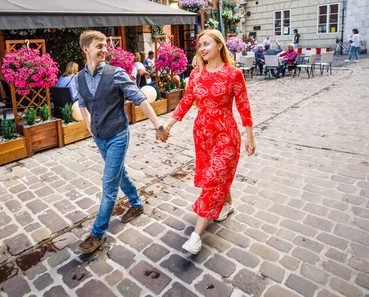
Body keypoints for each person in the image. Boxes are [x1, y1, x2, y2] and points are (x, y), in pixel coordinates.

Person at [74, 30, 169, 254]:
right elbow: (81, 103)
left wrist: (159, 126)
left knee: (109, 185)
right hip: (100, 137)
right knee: (119, 174)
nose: (105, 50)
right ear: (86, 49)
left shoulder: (116, 73)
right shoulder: (79, 78)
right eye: (99, 46)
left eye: (106, 46)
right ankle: (136, 204)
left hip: (118, 134)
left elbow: (140, 99)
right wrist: (89, 127)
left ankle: (97, 234)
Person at [164, 29, 255, 255]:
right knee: (215, 176)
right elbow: (186, 102)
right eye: (200, 45)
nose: (202, 49)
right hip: (203, 135)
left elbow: (243, 106)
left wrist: (249, 137)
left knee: (214, 178)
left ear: (219, 46)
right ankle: (228, 204)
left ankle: (196, 236)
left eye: (207, 44)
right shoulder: (195, 75)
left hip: (226, 134)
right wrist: (167, 126)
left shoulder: (234, 74)